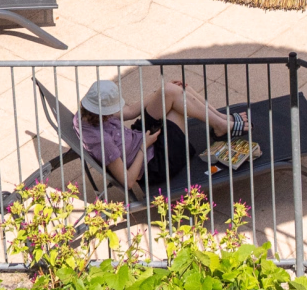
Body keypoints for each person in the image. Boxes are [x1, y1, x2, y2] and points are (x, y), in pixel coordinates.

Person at [75, 67, 241, 195]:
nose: (113, 112)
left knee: (172, 90)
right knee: (179, 104)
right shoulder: (101, 141)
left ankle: (220, 120)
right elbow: (128, 181)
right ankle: (221, 124)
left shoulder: (86, 114)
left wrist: (160, 92)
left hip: (139, 137)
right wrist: (143, 147)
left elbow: (132, 111)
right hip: (155, 162)